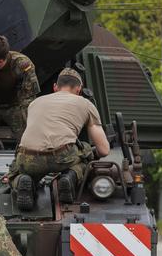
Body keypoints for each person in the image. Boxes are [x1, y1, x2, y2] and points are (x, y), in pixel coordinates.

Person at [10, 68, 110, 210]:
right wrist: (92, 154)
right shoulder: (86, 104)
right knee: (86, 151)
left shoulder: (35, 103)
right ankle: (69, 178)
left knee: (15, 172)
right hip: (61, 157)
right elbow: (104, 150)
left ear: (55, 87)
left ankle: (22, 181)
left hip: (28, 157)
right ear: (78, 89)